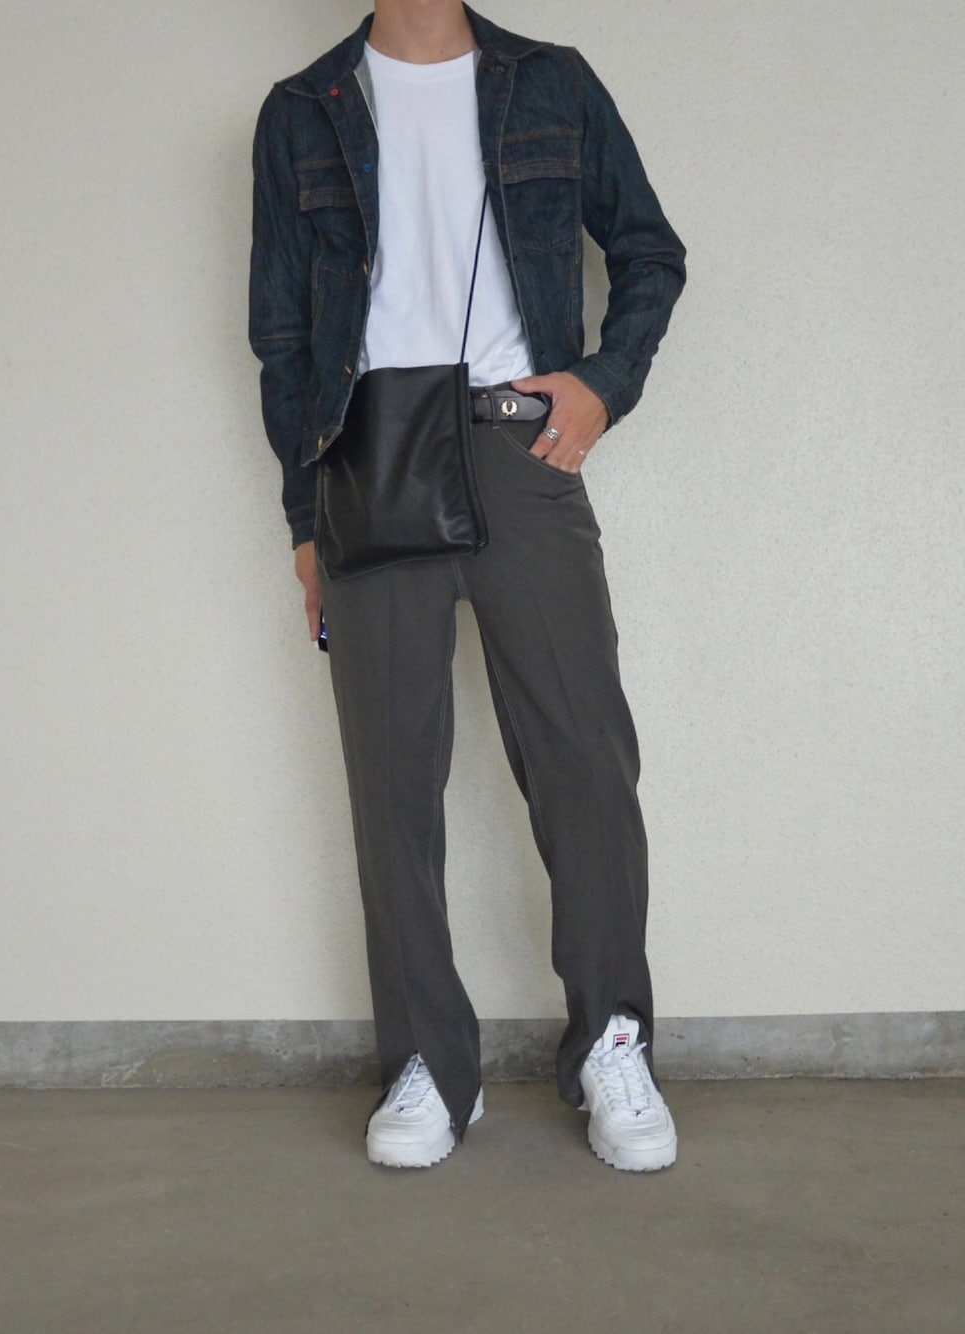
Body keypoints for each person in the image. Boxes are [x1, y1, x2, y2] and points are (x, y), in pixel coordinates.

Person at [249, 0, 686, 1171]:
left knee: (584, 757)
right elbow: (282, 339)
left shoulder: (551, 81)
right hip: (366, 462)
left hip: (516, 444)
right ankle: (428, 1063)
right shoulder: (301, 111)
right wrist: (304, 521)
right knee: (391, 776)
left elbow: (649, 249)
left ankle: (613, 1037)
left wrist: (603, 382)